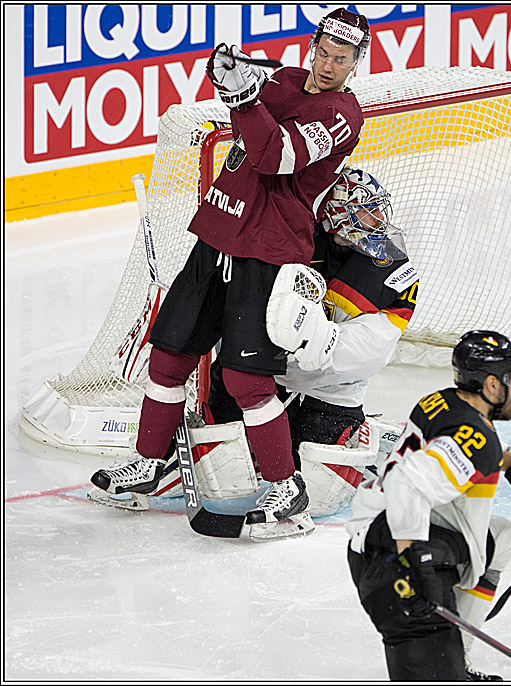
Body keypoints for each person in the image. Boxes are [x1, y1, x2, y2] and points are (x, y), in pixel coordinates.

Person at [88, 9, 371, 541]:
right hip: (219, 231)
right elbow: (245, 92)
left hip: (267, 251)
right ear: (313, 45)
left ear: (356, 64)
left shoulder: (341, 114)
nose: (331, 64)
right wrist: (229, 73)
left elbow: (273, 156)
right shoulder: (283, 78)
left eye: (344, 58)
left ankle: (286, 489)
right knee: (170, 354)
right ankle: (149, 464)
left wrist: (242, 96)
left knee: (245, 378)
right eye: (326, 51)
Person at [346, 331, 511, 681]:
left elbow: (461, 441)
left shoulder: (443, 401)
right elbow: (408, 482)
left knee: (499, 537)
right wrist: (410, 560)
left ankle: (457, 658)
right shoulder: (474, 438)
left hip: (377, 532)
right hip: (388, 560)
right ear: (491, 385)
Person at [207, 166, 418, 513]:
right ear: (334, 215)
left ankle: (353, 430)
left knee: (320, 499)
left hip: (330, 390)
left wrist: (318, 343)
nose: (379, 218)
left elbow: (373, 352)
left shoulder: (391, 267)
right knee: (220, 475)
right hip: (267, 378)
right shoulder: (291, 245)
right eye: (366, 209)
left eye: (379, 206)